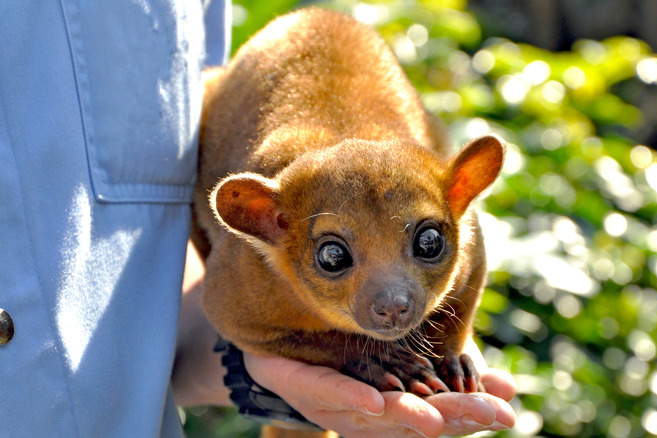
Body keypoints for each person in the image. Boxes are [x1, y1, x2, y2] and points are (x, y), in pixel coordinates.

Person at [0, 1, 516, 436]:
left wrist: (448, 344)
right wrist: (344, 355)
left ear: (461, 193)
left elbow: (463, 249)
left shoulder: (442, 211)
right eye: (335, 257)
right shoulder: (263, 255)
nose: (394, 302)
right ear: (266, 225)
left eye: (427, 245)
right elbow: (228, 308)